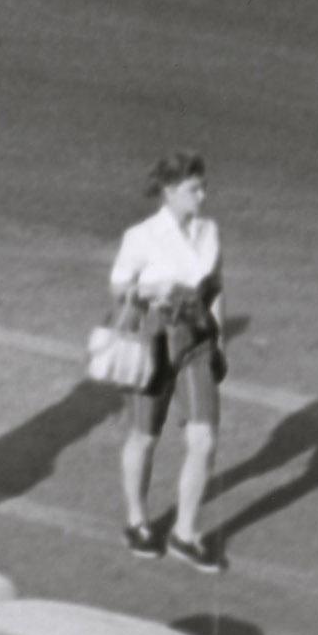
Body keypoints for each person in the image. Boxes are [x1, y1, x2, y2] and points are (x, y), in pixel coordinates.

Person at [108, 155, 231, 570]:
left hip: (196, 339)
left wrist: (220, 343)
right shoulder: (141, 236)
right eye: (194, 188)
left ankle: (185, 531)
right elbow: (120, 285)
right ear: (170, 192)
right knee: (144, 436)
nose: (203, 194)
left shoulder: (209, 231)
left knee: (204, 439)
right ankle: (137, 520)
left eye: (203, 186)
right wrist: (151, 289)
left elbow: (215, 289)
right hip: (154, 338)